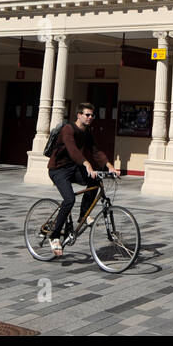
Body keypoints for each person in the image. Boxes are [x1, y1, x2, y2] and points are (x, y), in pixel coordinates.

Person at [47, 103, 117, 257]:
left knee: (95, 181)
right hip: (58, 170)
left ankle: (83, 216)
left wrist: (109, 165)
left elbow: (95, 151)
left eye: (92, 115)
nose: (90, 117)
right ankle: (54, 236)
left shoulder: (88, 132)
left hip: (73, 169)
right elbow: (72, 150)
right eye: (87, 114)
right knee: (69, 199)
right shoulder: (68, 129)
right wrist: (86, 164)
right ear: (78, 115)